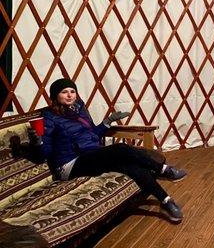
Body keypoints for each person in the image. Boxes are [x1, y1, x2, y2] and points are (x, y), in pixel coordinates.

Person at [33, 78, 186, 223]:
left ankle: (166, 201)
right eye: (64, 92)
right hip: (69, 165)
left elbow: (92, 135)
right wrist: (38, 140)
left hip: (90, 156)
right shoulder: (49, 118)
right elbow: (43, 155)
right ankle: (163, 169)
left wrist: (107, 122)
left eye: (72, 91)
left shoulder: (78, 110)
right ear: (55, 96)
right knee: (120, 148)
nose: (69, 95)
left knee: (131, 167)